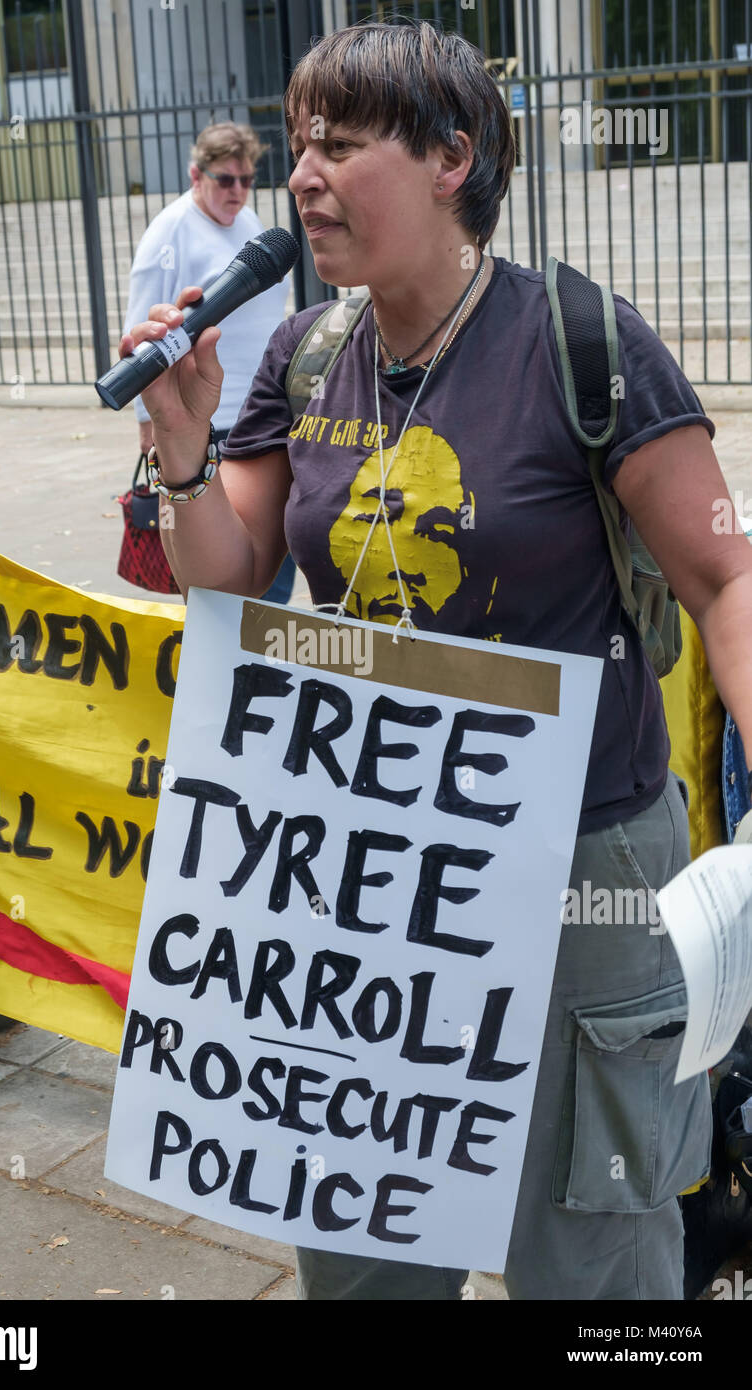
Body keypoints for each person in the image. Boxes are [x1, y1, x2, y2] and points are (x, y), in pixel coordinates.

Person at [119, 20, 752, 1299]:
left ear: (451, 158)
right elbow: (230, 576)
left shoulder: (582, 342)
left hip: (584, 870)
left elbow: (722, 572)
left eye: (340, 147)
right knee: (360, 1245)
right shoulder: (300, 358)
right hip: (361, 882)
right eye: (298, 144)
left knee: (590, 1250)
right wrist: (181, 448)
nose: (300, 176)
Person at [122, 120, 296, 603]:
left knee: (272, 561)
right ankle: (229, 668)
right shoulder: (170, 232)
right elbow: (144, 330)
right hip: (211, 422)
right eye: (225, 180)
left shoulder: (251, 223)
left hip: (263, 414)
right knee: (223, 580)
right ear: (196, 176)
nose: (237, 191)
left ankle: (264, 663)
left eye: (246, 180)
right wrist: (149, 422)